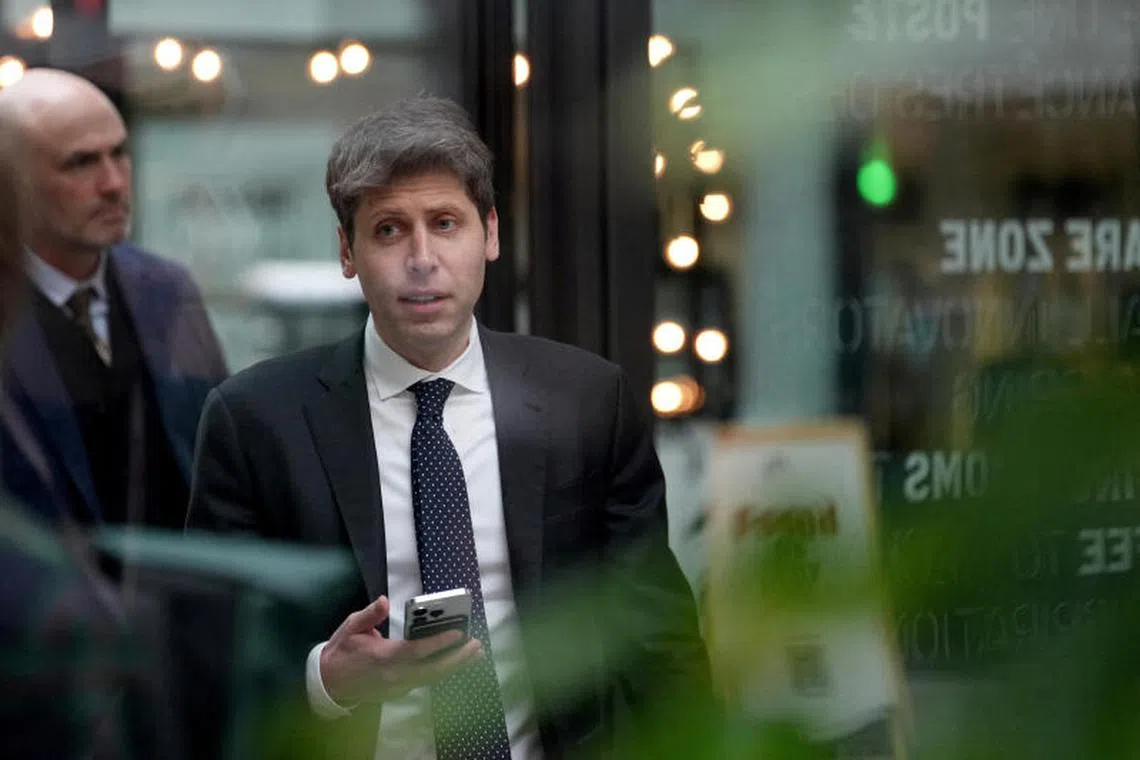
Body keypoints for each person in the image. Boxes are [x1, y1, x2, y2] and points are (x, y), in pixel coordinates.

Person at [186, 95, 712, 759]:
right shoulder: (256, 420)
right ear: (347, 251)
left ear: (489, 234)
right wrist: (325, 677)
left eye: (445, 223)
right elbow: (202, 654)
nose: (422, 257)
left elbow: (657, 635)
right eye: (388, 230)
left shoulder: (586, 400)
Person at [0, 68, 228, 530]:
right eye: (80, 163)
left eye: (119, 154)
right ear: (11, 183)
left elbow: (220, 460)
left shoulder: (165, 289)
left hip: (176, 589)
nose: (114, 183)